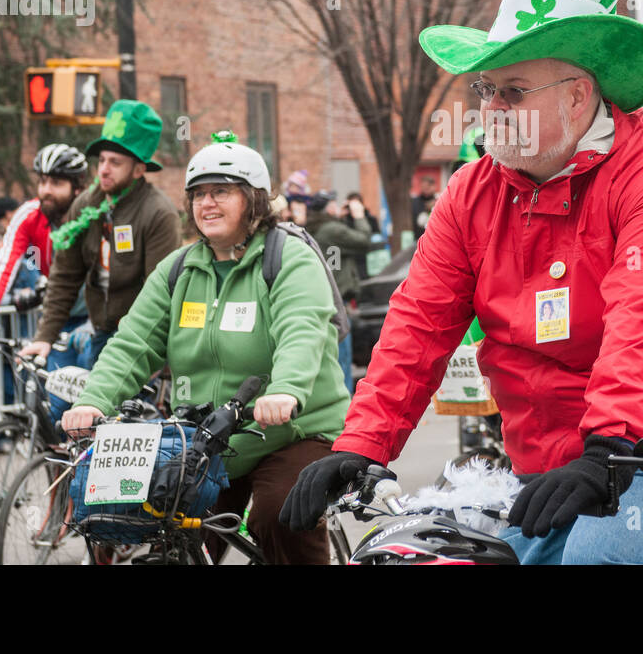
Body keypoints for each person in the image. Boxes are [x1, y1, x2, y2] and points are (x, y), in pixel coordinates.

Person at [281, 0, 643, 564]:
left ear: (578, 95)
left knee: (599, 560)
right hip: (553, 454)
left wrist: (609, 448)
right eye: (485, 89)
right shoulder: (470, 193)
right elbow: (419, 324)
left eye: (511, 90)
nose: (489, 108)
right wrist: (361, 444)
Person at [61, 132, 349, 563]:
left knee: (278, 514)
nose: (206, 204)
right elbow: (132, 343)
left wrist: (285, 390)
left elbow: (301, 330)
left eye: (221, 192)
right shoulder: (178, 269)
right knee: (167, 525)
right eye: (198, 194)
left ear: (253, 199)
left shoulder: (289, 258)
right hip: (207, 436)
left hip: (293, 431)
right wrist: (93, 401)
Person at [23, 101, 181, 366]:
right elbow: (65, 276)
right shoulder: (85, 204)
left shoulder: (159, 213)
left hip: (144, 339)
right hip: (101, 333)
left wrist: (156, 359)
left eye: (115, 162)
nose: (104, 169)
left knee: (130, 408)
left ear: (139, 169)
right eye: (103, 160)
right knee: (70, 404)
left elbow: (162, 292)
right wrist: (44, 337)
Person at [0, 144, 90, 354]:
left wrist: (96, 323)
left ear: (77, 188)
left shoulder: (94, 213)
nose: (46, 190)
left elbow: (115, 274)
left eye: (56, 183)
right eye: (42, 181)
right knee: (53, 383)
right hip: (58, 318)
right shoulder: (29, 215)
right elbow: (3, 268)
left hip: (100, 319)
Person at [305, 190, 380, 393]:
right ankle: (344, 409)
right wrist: (359, 216)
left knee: (334, 358)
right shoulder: (331, 230)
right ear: (328, 207)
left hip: (325, 299)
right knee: (342, 360)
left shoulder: (318, 227)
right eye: (334, 204)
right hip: (337, 304)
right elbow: (364, 240)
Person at [410, 175, 438, 240]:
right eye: (424, 187)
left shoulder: (438, 201)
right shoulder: (415, 201)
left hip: (433, 238)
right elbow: (419, 221)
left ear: (434, 187)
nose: (426, 189)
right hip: (418, 238)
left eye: (428, 187)